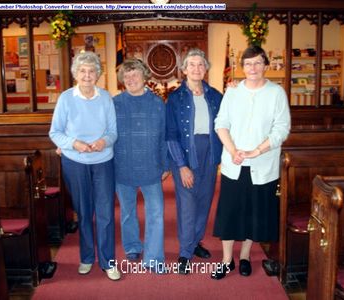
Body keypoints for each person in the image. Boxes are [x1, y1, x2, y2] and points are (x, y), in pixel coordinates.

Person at [211, 45, 291, 280]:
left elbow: (282, 128)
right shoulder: (233, 92)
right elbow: (221, 123)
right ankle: (226, 261)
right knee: (229, 213)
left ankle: (244, 256)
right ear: (242, 68)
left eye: (257, 63)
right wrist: (233, 150)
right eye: (248, 64)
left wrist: (258, 150)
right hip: (234, 164)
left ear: (266, 65)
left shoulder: (276, 93)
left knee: (253, 214)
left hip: (263, 165)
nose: (253, 68)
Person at [49, 51, 120, 281]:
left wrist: (103, 142)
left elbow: (113, 132)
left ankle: (108, 261)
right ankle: (87, 257)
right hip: (75, 162)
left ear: (98, 74)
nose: (87, 75)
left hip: (103, 161)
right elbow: (55, 132)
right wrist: (74, 144)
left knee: (106, 212)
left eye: (92, 71)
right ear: (75, 74)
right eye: (82, 71)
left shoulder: (106, 97)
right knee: (84, 212)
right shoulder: (66, 98)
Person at [166, 48, 223, 274]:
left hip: (210, 152)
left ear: (206, 68)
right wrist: (181, 165)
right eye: (192, 65)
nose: (196, 69)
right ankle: (184, 252)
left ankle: (196, 241)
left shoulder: (216, 95)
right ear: (184, 69)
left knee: (204, 199)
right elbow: (170, 134)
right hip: (185, 153)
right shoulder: (175, 98)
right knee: (187, 203)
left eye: (201, 65)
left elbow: (225, 125)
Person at [113, 58, 169, 273]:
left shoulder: (157, 103)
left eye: (135, 74)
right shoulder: (114, 103)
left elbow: (164, 136)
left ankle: (154, 258)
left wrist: (166, 165)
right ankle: (132, 246)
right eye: (126, 76)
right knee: (127, 211)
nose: (130, 79)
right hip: (122, 165)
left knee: (155, 213)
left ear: (144, 76)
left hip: (151, 166)